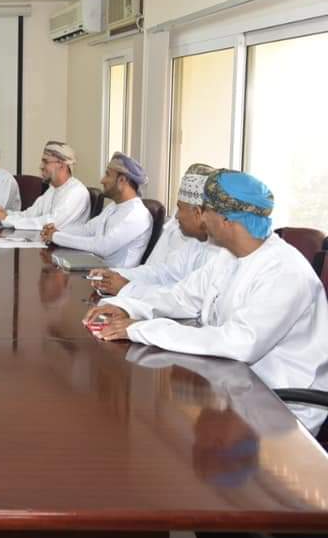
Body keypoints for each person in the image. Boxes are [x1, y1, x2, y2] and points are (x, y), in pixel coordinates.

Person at [84, 170, 328, 434]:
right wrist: (126, 306)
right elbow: (181, 297)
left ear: (226, 219)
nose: (201, 218)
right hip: (233, 385)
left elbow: (239, 342)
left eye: (206, 210)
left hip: (279, 410)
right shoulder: (229, 256)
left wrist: (139, 328)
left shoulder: (285, 272)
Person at [89, 163, 222, 296]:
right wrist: (115, 275)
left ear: (198, 213)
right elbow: (162, 273)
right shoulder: (195, 242)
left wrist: (127, 288)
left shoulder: (219, 256)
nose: (176, 216)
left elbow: (183, 299)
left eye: (180, 208)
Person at [42, 152, 152, 268]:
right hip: (94, 268)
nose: (102, 180)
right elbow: (87, 230)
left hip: (113, 276)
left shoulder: (137, 214)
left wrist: (56, 236)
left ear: (122, 180)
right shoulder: (113, 207)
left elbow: (102, 247)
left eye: (107, 175)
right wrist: (57, 230)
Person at [0, 140, 89, 230]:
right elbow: (30, 214)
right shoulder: (52, 189)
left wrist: (7, 219)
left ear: (62, 165)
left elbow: (50, 223)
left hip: (62, 246)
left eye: (46, 162)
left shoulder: (76, 192)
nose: (41, 166)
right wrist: (6, 213)